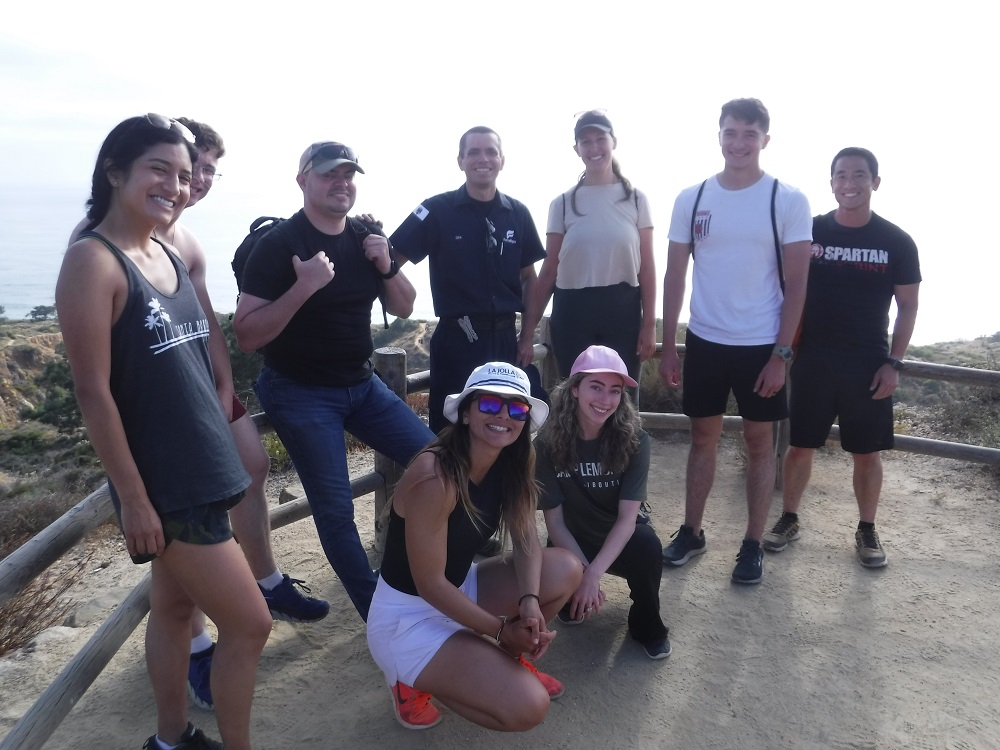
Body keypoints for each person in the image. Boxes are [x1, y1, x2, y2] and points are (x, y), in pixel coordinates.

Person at [69, 119, 329, 713]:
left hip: (203, 404)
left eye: (198, 172)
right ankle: (201, 653)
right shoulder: (97, 251)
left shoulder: (176, 243)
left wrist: (223, 385)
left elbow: (205, 321)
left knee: (250, 471)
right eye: (175, 169)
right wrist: (133, 496)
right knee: (224, 602)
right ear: (118, 172)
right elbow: (95, 384)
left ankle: (258, 589)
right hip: (164, 441)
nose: (192, 182)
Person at [233, 141, 434, 621]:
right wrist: (304, 286)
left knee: (438, 462)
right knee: (336, 509)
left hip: (361, 385)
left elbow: (404, 306)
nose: (341, 182)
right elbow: (246, 334)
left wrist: (386, 263)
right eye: (329, 174)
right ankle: (380, 616)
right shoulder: (279, 244)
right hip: (299, 391)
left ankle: (411, 574)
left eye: (348, 174)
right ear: (303, 180)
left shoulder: (365, 236)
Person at [367, 362, 583, 730]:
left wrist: (529, 601)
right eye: (490, 404)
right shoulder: (435, 476)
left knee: (566, 568)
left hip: (458, 588)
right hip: (408, 619)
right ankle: (410, 681)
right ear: (466, 413)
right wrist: (499, 630)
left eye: (516, 408)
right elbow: (429, 585)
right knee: (529, 707)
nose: (503, 416)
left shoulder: (512, 462)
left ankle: (498, 661)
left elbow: (526, 538)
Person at [659, 98, 813, 585]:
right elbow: (675, 275)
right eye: (731, 132)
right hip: (705, 339)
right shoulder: (693, 197)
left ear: (765, 139)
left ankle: (752, 544)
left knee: (760, 444)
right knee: (701, 439)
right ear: (719, 136)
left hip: (761, 344)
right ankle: (692, 531)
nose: (739, 143)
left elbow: (798, 283)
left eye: (749, 133)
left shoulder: (787, 199)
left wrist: (781, 355)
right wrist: (669, 344)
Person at [762, 147, 921, 567]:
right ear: (831, 182)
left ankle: (867, 529)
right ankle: (789, 518)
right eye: (841, 176)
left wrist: (894, 362)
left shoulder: (896, 241)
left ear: (875, 182)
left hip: (868, 363)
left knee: (867, 453)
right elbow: (780, 285)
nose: (850, 183)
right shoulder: (810, 231)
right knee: (799, 446)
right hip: (813, 358)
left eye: (859, 175)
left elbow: (908, 306)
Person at [389, 126, 546, 434]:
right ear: (460, 161)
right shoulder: (436, 210)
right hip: (456, 341)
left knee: (507, 428)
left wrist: (527, 336)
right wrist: (403, 297)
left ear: (502, 160)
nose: (482, 159)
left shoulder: (518, 213)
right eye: (473, 152)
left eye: (491, 152)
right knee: (450, 433)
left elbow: (530, 278)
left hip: (506, 342)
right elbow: (392, 258)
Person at [534, 345, 670, 659]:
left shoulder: (635, 440)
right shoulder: (546, 443)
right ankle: (572, 595)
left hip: (619, 538)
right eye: (595, 387)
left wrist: (593, 575)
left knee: (648, 546)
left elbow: (627, 519)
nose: (605, 400)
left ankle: (647, 625)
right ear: (575, 389)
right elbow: (555, 522)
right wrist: (583, 573)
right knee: (567, 598)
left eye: (615, 390)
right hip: (572, 537)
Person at [518, 111, 656, 398]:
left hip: (624, 311)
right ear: (577, 148)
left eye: (600, 139)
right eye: (586, 141)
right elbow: (549, 270)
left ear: (613, 141)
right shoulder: (562, 203)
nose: (594, 147)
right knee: (574, 398)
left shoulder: (636, 199)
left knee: (621, 401)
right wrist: (527, 333)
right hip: (573, 311)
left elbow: (647, 268)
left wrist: (649, 325)